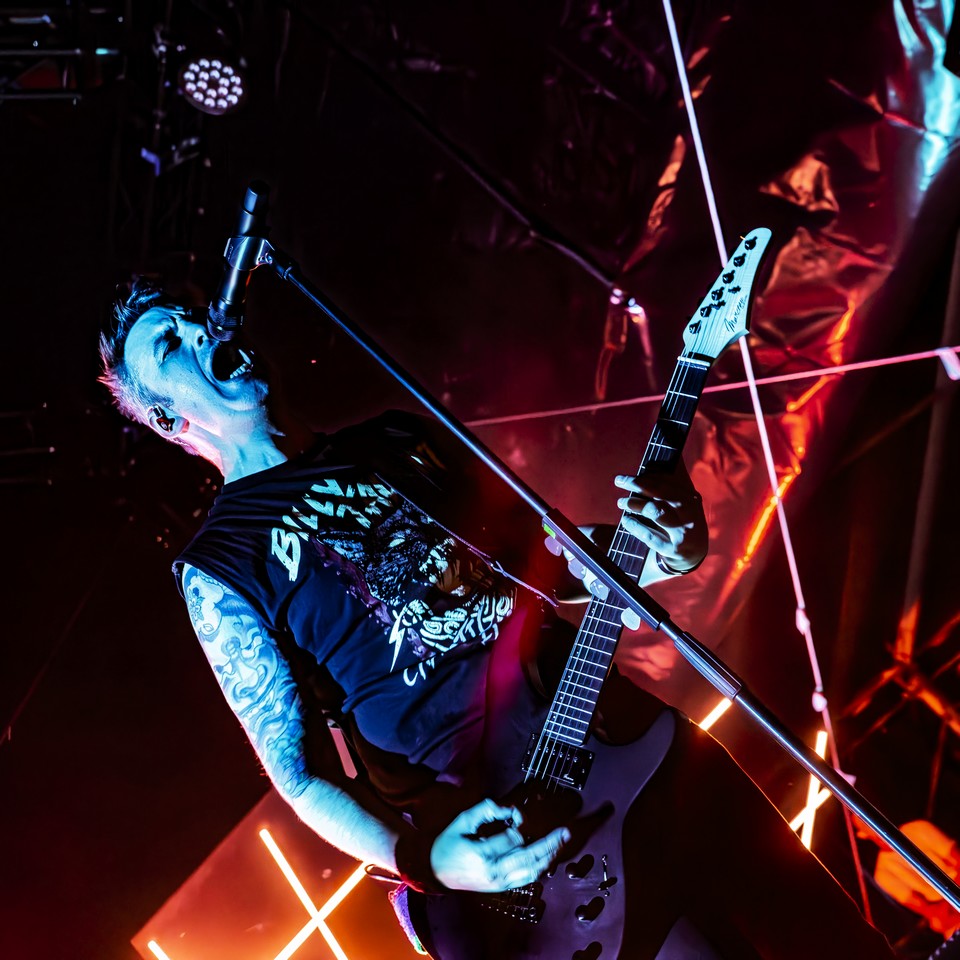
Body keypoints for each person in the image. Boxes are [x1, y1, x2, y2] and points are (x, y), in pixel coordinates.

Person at [99, 279, 898, 959]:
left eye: (194, 313)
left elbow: (554, 565)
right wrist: (427, 860)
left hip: (634, 741)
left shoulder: (396, 439)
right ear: (171, 421)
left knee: (834, 938)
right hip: (514, 838)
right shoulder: (221, 564)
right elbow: (300, 774)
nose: (199, 329)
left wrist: (670, 548)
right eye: (169, 344)